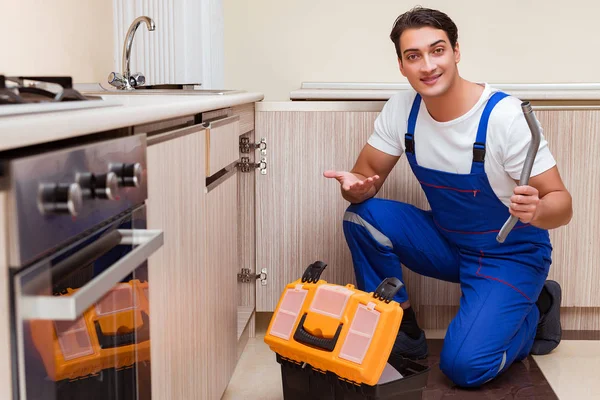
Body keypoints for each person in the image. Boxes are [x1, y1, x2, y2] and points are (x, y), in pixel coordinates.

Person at [324, 6, 572, 388]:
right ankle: (400, 328)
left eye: (437, 50)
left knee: (465, 368)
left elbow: (562, 202)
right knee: (362, 214)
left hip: (510, 253)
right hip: (448, 242)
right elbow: (365, 177)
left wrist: (537, 210)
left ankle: (535, 310)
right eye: (413, 56)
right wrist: (355, 185)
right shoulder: (402, 110)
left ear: (456, 51)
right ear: (401, 66)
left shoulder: (504, 117)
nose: (427, 65)